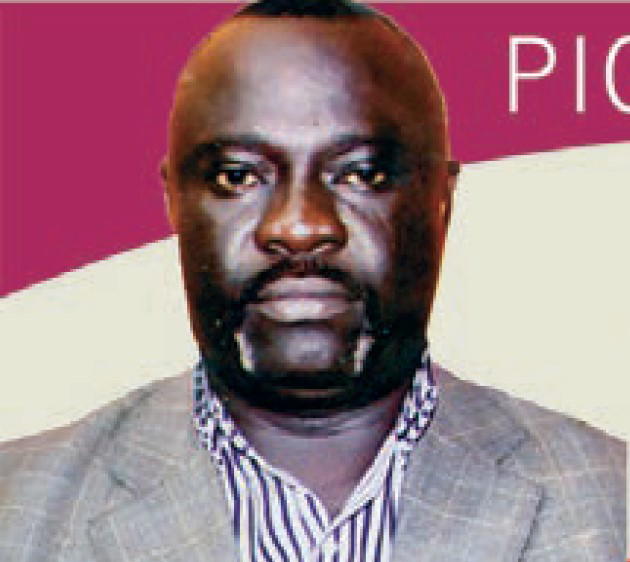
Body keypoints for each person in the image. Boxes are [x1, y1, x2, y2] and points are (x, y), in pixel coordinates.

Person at [0, 1, 625, 561]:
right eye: (238, 177)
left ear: (441, 200)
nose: (299, 227)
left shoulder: (611, 505)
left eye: (361, 175)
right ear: (174, 201)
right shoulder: (16, 509)